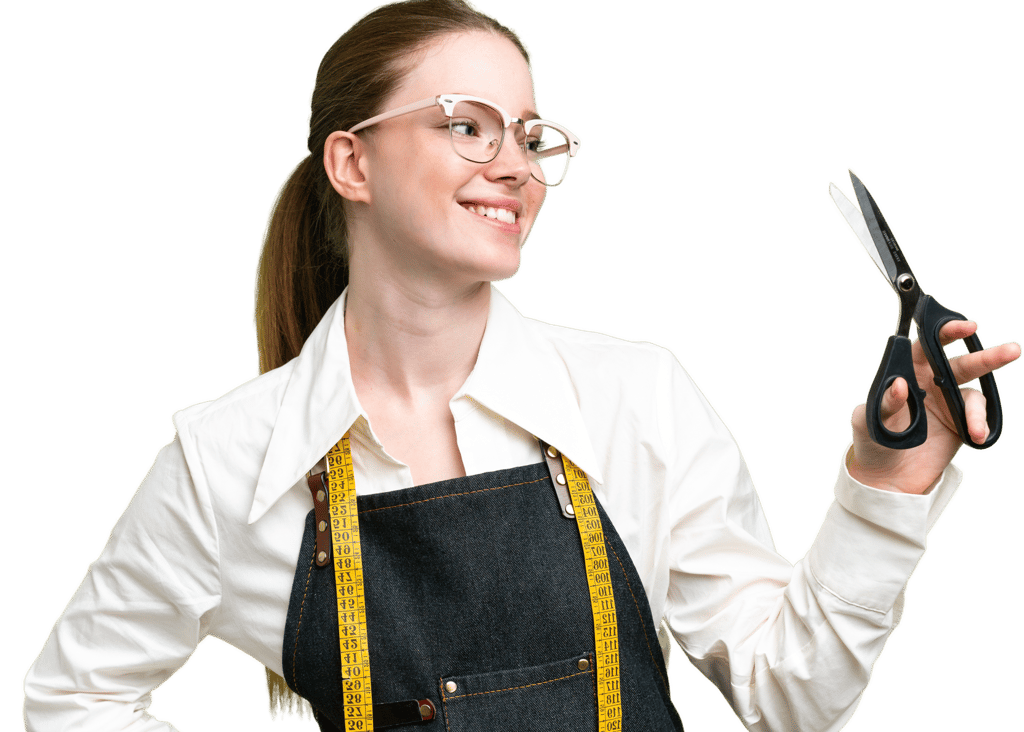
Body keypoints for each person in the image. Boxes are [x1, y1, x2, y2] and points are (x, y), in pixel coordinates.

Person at [21, 1, 1021, 730]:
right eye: (466, 125)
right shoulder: (227, 458)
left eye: (531, 135)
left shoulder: (635, 397)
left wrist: (886, 488)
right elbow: (72, 701)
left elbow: (791, 698)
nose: (517, 166)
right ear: (351, 164)